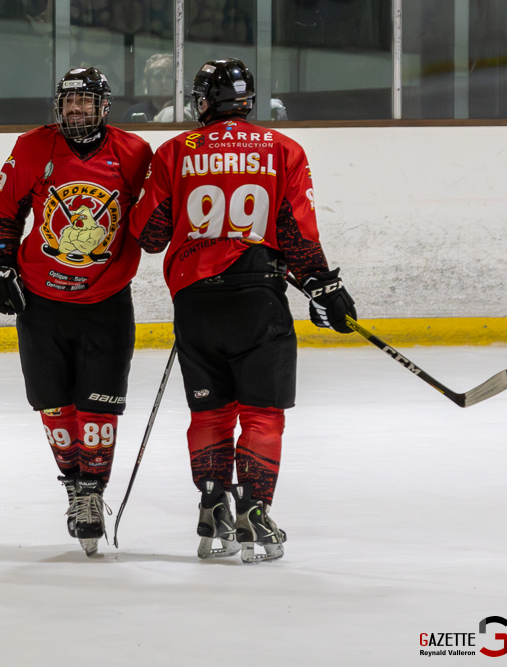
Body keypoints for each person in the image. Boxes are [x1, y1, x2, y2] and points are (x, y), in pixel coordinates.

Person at [129, 59, 357, 564]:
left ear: (203, 102)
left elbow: (149, 236)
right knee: (261, 411)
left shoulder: (174, 152)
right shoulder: (282, 149)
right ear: (249, 101)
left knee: (210, 410)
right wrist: (324, 287)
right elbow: (297, 234)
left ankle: (214, 507)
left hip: (196, 303)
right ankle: (255, 510)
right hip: (258, 300)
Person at [0, 67, 152, 556]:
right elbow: (7, 211)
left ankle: (93, 493)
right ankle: (76, 486)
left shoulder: (133, 152)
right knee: (54, 405)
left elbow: (158, 208)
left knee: (98, 409)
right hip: (41, 299)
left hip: (105, 301)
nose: (76, 109)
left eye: (86, 101)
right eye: (69, 101)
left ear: (104, 106)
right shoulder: (34, 147)